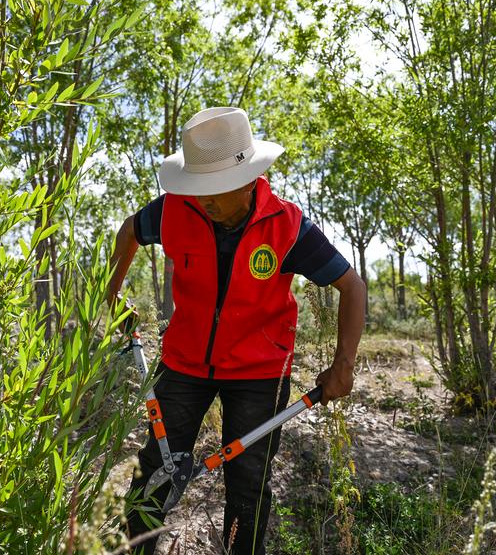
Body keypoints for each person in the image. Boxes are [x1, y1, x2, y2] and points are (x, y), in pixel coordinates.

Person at [108, 107, 366, 555]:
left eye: (213, 190)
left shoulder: (288, 227)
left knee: (249, 488)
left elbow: (352, 286)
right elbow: (128, 232)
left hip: (259, 375)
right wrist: (110, 297)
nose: (202, 199)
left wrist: (344, 364)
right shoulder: (175, 209)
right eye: (197, 187)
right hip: (183, 366)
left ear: (247, 181)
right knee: (153, 474)